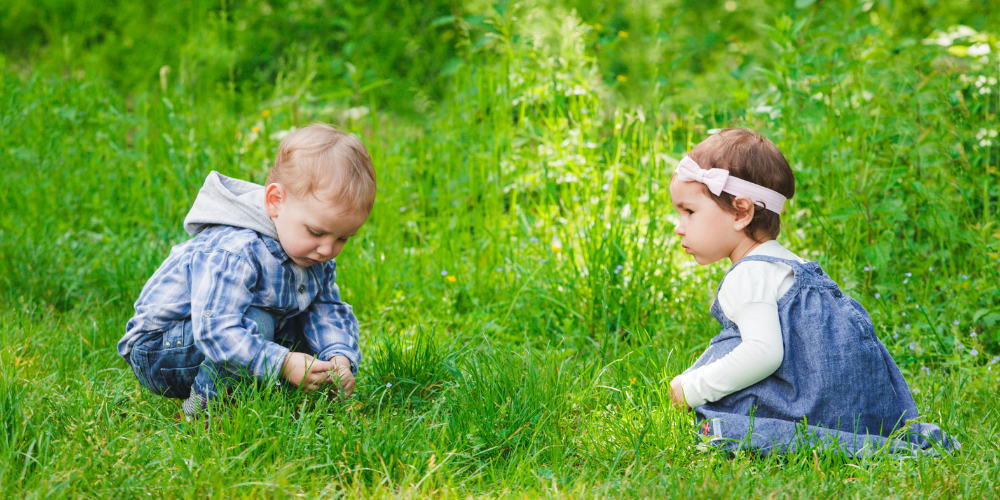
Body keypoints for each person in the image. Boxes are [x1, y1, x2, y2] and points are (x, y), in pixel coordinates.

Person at [666, 128, 954, 455]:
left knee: (711, 416)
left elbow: (763, 353)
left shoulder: (747, 275)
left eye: (689, 211)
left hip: (809, 407)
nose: (679, 225)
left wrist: (690, 388)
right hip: (858, 407)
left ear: (741, 212)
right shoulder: (794, 265)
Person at [118, 123, 375, 420]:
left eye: (342, 238)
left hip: (216, 337)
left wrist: (338, 357)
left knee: (300, 322)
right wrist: (283, 363)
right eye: (316, 232)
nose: (328, 250)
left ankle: (277, 394)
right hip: (162, 349)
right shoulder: (237, 250)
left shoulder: (311, 252)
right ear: (276, 202)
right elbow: (216, 330)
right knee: (255, 321)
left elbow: (326, 308)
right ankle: (204, 414)